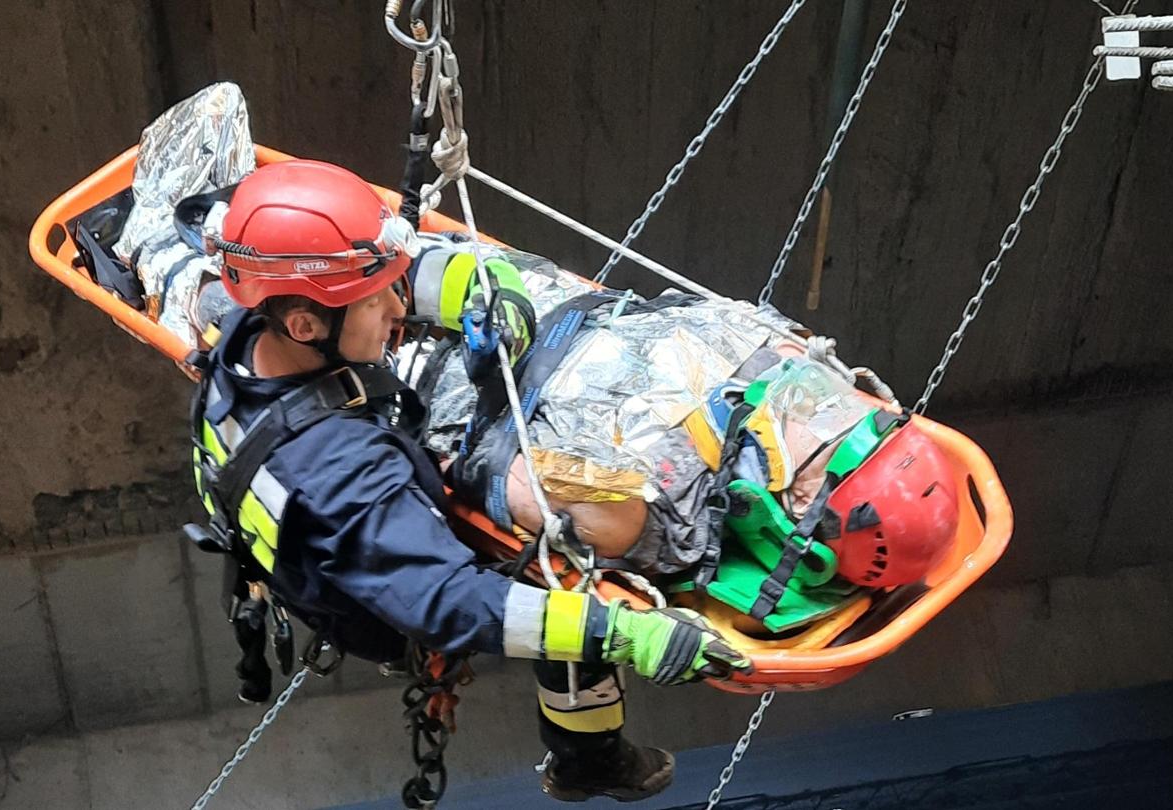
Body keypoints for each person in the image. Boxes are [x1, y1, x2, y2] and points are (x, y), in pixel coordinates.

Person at [185, 159, 751, 802]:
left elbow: (401, 272)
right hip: (390, 600)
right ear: (306, 326)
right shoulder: (343, 477)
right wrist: (626, 634)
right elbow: (452, 603)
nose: (399, 310)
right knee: (561, 580)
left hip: (330, 530)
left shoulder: (246, 328)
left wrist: (491, 292)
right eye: (377, 304)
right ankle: (588, 755)